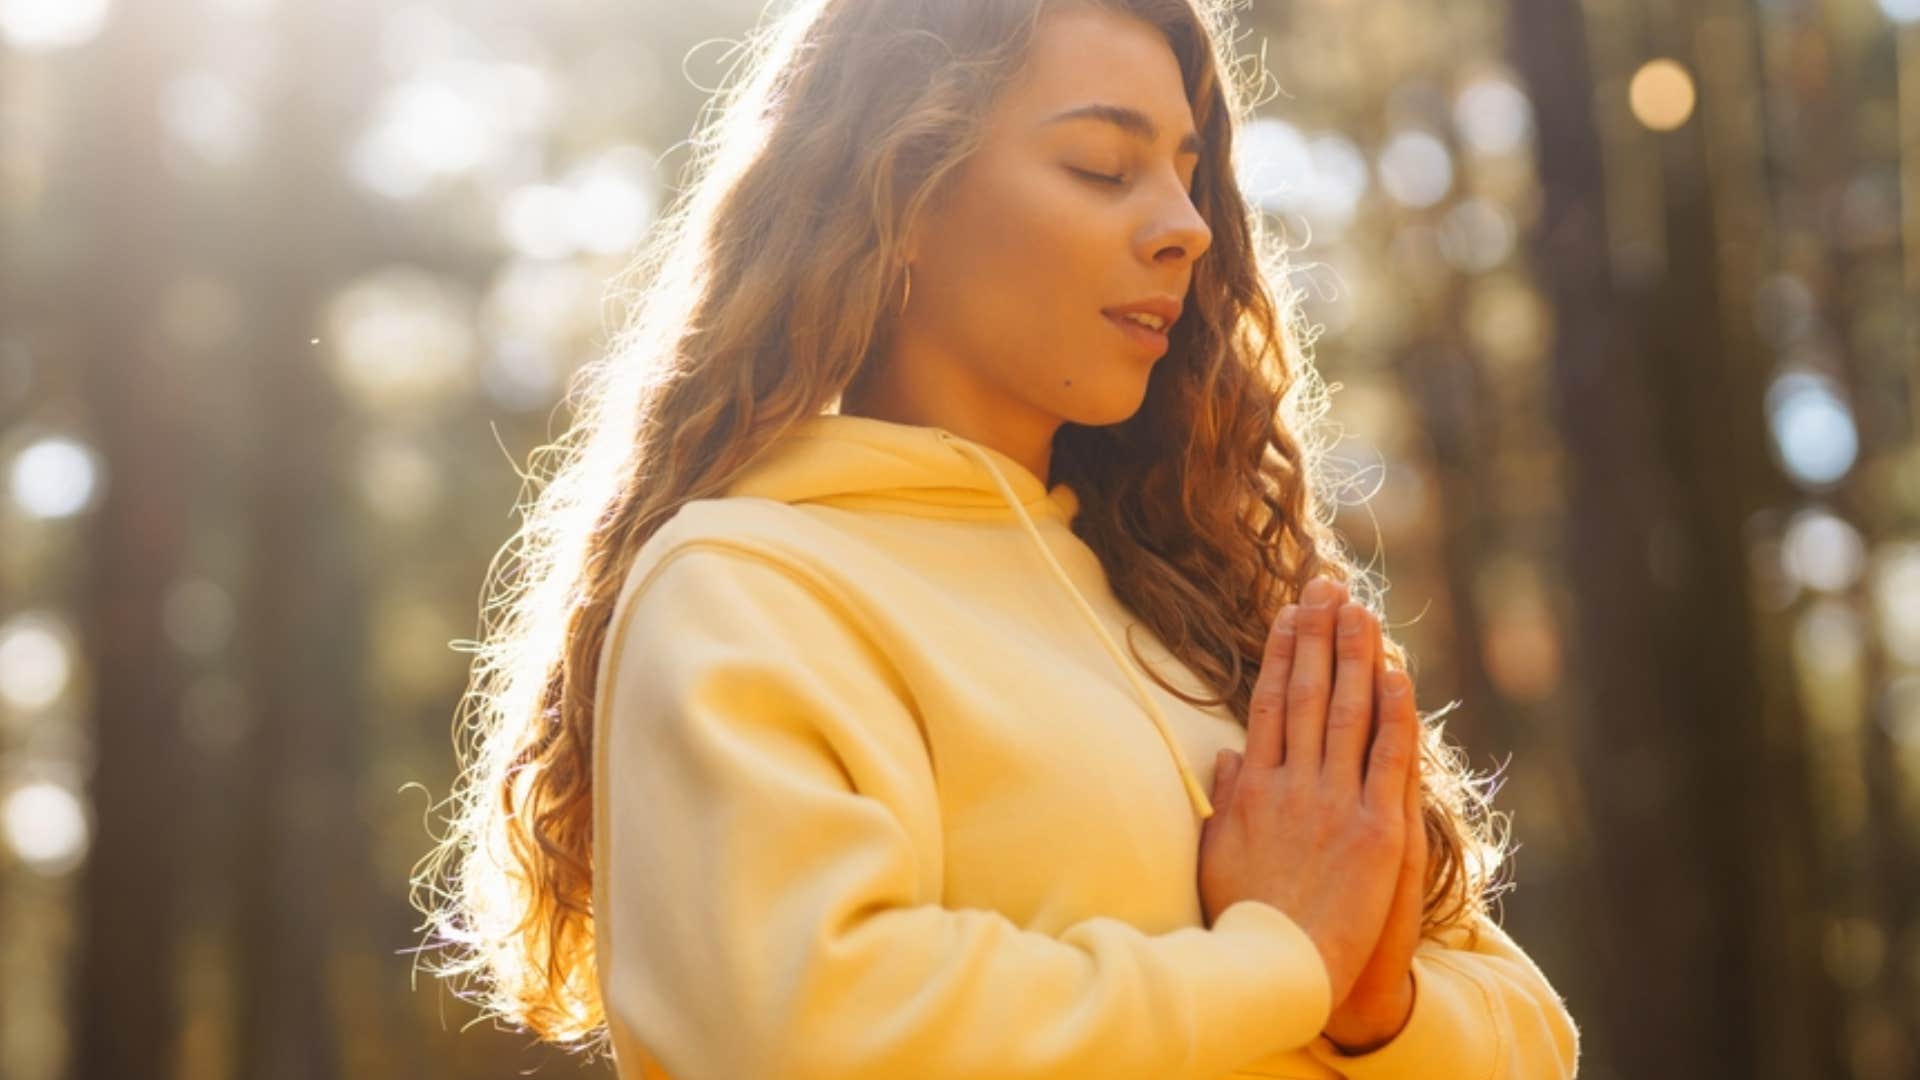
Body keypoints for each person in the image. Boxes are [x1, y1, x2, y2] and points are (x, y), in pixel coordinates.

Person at [415, 0, 1581, 1076]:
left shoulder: (1205, 605)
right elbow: (820, 1037)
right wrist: (1282, 960)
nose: (1186, 228)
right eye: (1101, 166)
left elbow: (1531, 1036)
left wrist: (1378, 1011)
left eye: (1185, 175)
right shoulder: (746, 589)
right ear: (899, 194)